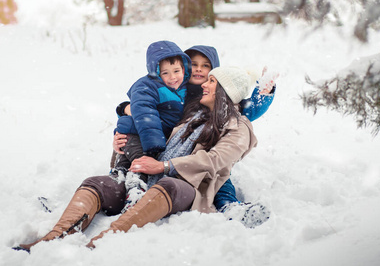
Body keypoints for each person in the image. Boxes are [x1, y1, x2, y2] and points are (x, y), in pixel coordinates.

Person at [14, 66, 264, 252]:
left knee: (169, 184)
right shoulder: (191, 116)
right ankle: (52, 239)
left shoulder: (238, 127)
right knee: (96, 183)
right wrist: (120, 144)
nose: (205, 84)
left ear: (226, 92)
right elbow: (151, 130)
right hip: (146, 180)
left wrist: (166, 166)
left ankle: (100, 243)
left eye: (212, 81)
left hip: (187, 188)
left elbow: (215, 160)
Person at [114, 45, 276, 227]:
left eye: (206, 66)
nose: (199, 69)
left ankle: (229, 205)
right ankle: (129, 184)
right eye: (194, 65)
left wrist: (263, 94)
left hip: (200, 159)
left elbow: (241, 107)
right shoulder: (175, 91)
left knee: (218, 175)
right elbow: (147, 110)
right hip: (165, 148)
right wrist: (125, 111)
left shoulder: (215, 98)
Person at [112, 40, 192, 213]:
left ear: (185, 68)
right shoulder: (147, 86)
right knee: (140, 161)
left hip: (146, 133)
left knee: (128, 162)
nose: (172, 77)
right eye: (165, 73)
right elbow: (144, 112)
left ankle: (120, 179)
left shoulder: (186, 89)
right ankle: (134, 191)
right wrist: (154, 146)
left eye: (177, 71)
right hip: (137, 134)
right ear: (155, 72)